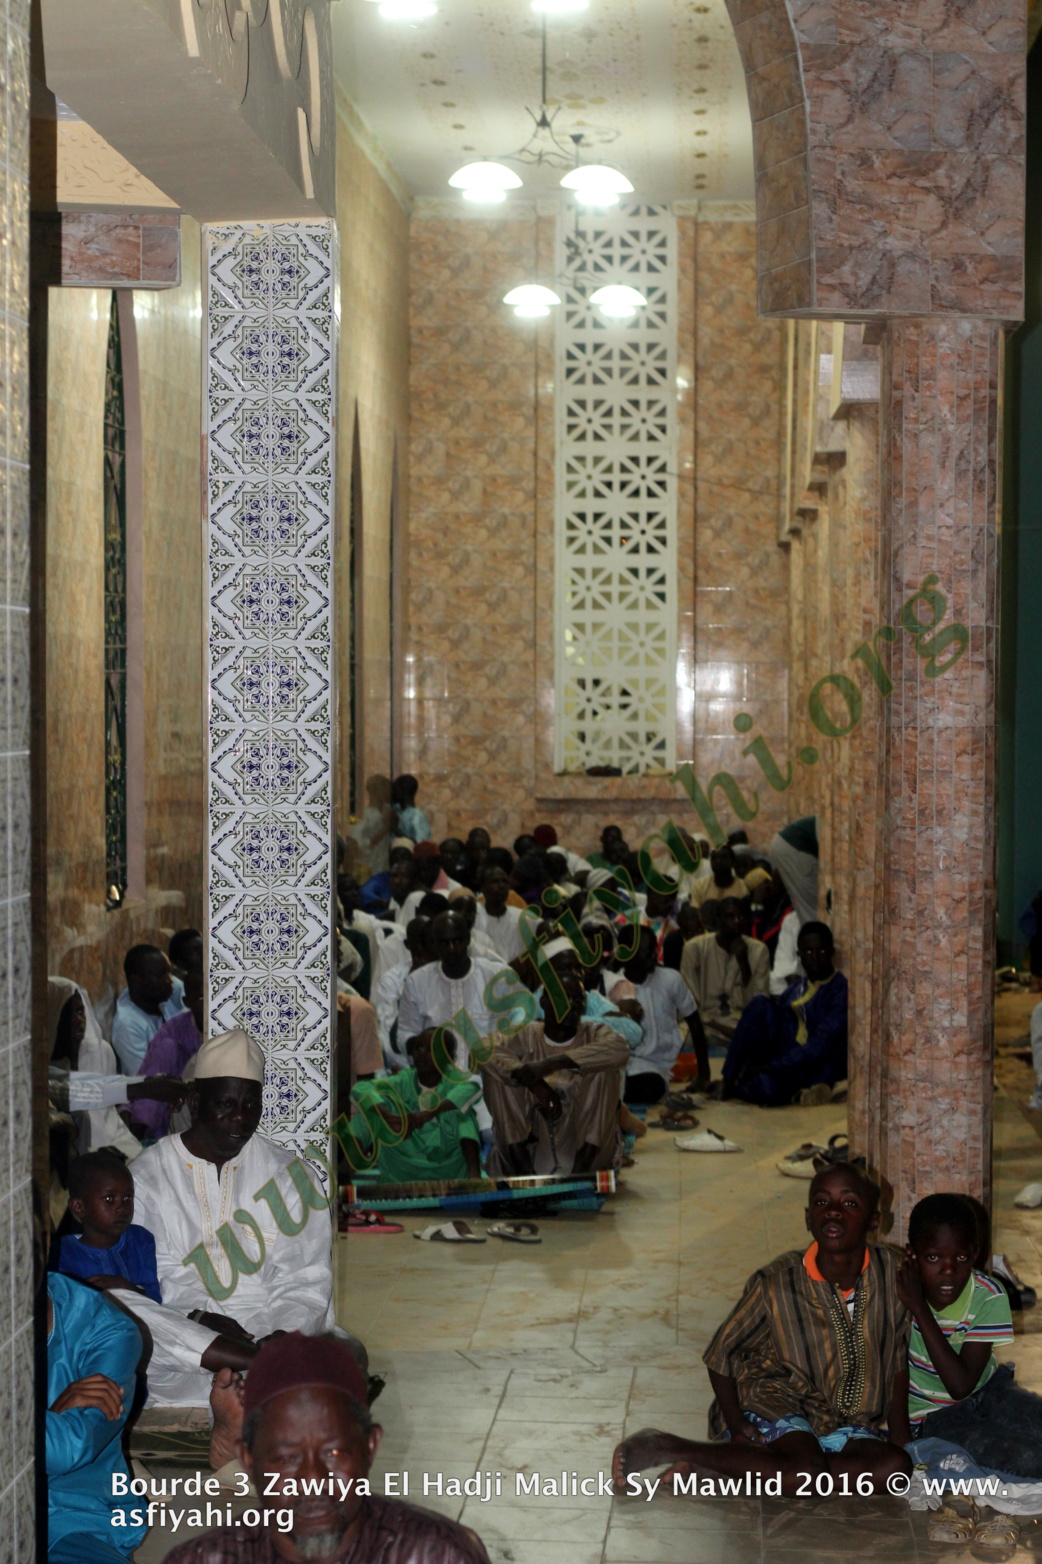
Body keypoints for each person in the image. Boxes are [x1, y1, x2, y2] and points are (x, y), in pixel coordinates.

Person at [612, 1164, 912, 1497]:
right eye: (822, 1203)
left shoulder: (892, 1274)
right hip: (777, 1400)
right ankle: (674, 1446)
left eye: (850, 1204)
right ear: (807, 1218)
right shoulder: (777, 1282)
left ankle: (737, 1468)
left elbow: (897, 1357)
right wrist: (735, 1421)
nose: (835, 1213)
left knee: (895, 1469)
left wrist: (901, 1438)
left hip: (847, 1421)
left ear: (874, 1220)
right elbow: (721, 1353)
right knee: (805, 1474)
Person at [131, 1028, 352, 1405]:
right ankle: (254, 1380)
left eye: (251, 1105)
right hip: (183, 1344)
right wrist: (199, 1318)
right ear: (197, 1103)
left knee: (305, 1348)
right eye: (226, 1104)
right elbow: (154, 1278)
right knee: (129, 1313)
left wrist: (282, 1334)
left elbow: (305, 1277)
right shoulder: (146, 1176)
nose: (240, 1118)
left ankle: (255, 1376)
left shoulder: (290, 1176)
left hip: (265, 1330)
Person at [164, 1332, 491, 1563]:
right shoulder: (204, 1559)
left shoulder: (440, 1555)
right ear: (248, 1460)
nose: (312, 1478)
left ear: (370, 1446)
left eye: (333, 1453)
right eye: (286, 1457)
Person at [889, 1193, 1042, 1476]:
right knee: (1027, 1459)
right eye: (933, 1257)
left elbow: (963, 1383)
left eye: (960, 1257)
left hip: (990, 1392)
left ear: (974, 1253)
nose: (948, 1271)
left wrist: (919, 1309)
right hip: (934, 1416)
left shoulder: (988, 1295)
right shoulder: (897, 1296)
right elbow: (952, 1390)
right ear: (912, 1253)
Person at [479, 968, 628, 1175]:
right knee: (500, 1073)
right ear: (544, 1002)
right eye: (565, 997)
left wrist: (550, 1065)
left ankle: (577, 1180)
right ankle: (526, 1179)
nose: (573, 1004)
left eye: (579, 999)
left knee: (602, 1069)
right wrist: (534, 1083)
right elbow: (481, 1050)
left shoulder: (595, 1034)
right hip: (529, 1151)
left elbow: (621, 1049)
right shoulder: (524, 1036)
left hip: (584, 1155)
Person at [47, 1269, 146, 1562]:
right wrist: (52, 1416)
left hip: (67, 1516)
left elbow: (68, 1450)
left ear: (43, 1243)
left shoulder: (106, 1330)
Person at [720, 922, 848, 1105]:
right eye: (809, 952)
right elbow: (774, 1031)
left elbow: (819, 1045)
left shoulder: (840, 990)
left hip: (812, 1064)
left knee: (768, 1085)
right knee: (760, 1004)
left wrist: (771, 1066)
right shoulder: (795, 988)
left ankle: (748, 1086)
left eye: (821, 952)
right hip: (783, 1060)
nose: (815, 958)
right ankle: (729, 1079)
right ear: (800, 956)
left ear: (831, 952)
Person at [351, 1029, 483, 1182]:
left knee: (464, 1116)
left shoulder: (454, 1080)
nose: (421, 1053)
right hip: (401, 1170)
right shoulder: (403, 1079)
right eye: (418, 1048)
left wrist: (429, 1113)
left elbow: (472, 1089)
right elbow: (361, 1089)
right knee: (369, 1115)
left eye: (430, 1050)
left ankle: (475, 1179)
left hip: (448, 1171)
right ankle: (341, 1174)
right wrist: (390, 1118)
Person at [397, 910, 513, 1070]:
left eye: (457, 941)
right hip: (438, 1081)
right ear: (435, 944)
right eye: (444, 943)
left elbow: (511, 1031)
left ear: (468, 939)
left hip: (488, 1078)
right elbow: (405, 1032)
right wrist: (422, 1044)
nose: (451, 949)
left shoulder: (496, 976)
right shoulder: (417, 982)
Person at [57, 1150, 162, 1302]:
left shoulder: (141, 1240)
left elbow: (155, 1300)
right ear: (79, 1207)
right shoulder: (63, 1253)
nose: (122, 1207)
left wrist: (125, 1287)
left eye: (127, 1197)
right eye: (109, 1198)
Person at [620, 926, 708, 1101]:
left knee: (651, 1087)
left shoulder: (671, 979)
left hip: (656, 1066)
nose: (654, 956)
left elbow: (695, 1023)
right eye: (647, 952)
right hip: (621, 1064)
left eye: (654, 949)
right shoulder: (613, 985)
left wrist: (704, 1074)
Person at [134, 954, 205, 1138]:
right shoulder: (173, 1031)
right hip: (175, 1121)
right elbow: (148, 1082)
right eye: (201, 998)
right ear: (187, 1002)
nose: (210, 1005)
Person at [680, 897, 770, 1043]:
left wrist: (744, 963)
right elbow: (688, 1002)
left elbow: (759, 1005)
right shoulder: (695, 948)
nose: (736, 922)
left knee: (760, 1036)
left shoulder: (759, 950)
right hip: (704, 1022)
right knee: (684, 1039)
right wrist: (717, 1026)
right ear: (717, 920)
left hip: (742, 1022)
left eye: (741, 917)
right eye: (730, 917)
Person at [112, 944, 185, 1074]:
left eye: (170, 972)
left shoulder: (165, 994)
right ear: (137, 981)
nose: (170, 980)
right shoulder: (128, 1025)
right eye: (161, 975)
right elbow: (151, 1078)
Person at [475, 864, 526, 963]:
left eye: (505, 882)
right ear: (483, 887)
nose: (502, 886)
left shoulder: (521, 917)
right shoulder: (474, 914)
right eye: (495, 882)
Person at [689, 844, 750, 920]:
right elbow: (695, 914)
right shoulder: (700, 885)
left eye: (723, 858)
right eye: (714, 858)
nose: (718, 862)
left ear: (732, 862)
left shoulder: (743, 887)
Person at [391, 772, 431, 843]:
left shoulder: (416, 816)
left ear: (403, 791)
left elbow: (420, 845)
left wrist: (395, 829)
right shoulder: (397, 812)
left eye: (395, 789)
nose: (392, 793)